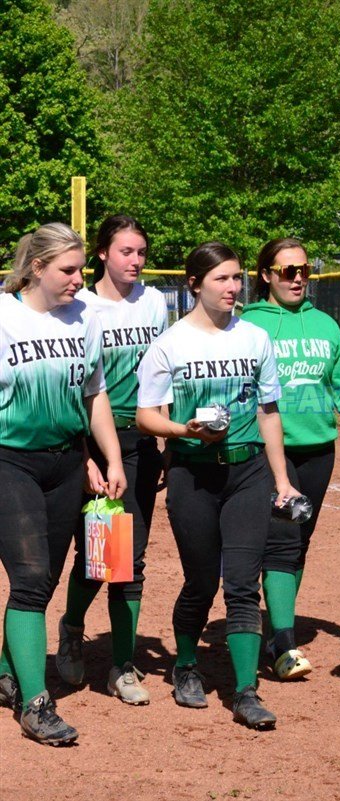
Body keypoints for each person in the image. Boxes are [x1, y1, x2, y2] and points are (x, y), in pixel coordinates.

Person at [136, 241, 300, 730]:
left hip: (247, 472)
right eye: (221, 279)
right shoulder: (170, 344)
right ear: (194, 285)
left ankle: (246, 691)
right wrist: (183, 430)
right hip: (193, 474)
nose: (232, 287)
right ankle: (186, 664)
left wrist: (282, 480)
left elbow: (269, 412)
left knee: (243, 583)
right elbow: (146, 416)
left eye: (236, 277)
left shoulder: (255, 338)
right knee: (202, 580)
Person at [0, 222, 127, 744]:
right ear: (37, 268)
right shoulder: (3, 317)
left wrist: (109, 458)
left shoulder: (85, 317)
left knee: (46, 579)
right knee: (31, 579)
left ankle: (7, 669)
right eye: (68, 270)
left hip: (67, 464)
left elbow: (94, 394)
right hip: (11, 461)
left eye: (81, 269)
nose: (79, 278)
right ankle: (35, 703)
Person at [241, 237, 340, 680]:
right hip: (270, 450)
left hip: (319, 450)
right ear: (267, 276)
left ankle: (276, 630)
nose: (298, 278)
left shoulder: (324, 325)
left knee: (298, 542)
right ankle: (284, 644)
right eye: (288, 271)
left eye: (304, 270)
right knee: (282, 541)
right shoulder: (249, 324)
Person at [55, 215, 167, 707]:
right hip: (93, 441)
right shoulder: (80, 307)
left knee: (131, 558)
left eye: (141, 252)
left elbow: (162, 375)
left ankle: (122, 665)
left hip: (141, 439)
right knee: (98, 555)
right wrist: (86, 456)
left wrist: (165, 439)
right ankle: (72, 627)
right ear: (102, 253)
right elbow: (77, 387)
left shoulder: (155, 302)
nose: (135, 261)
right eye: (125, 251)